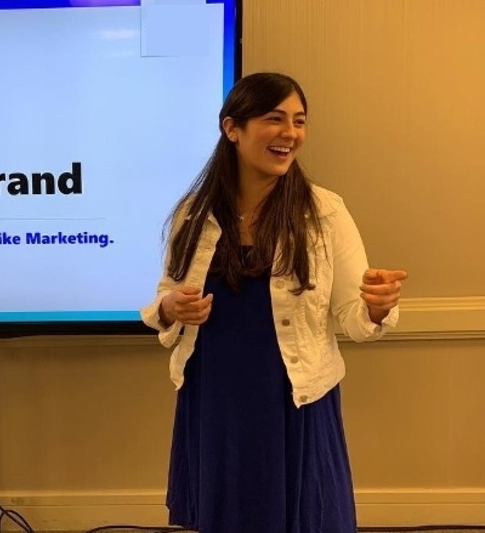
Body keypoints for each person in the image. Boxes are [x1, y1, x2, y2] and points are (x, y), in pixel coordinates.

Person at [140, 72, 408, 533]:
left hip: (293, 396)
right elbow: (165, 296)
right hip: (215, 396)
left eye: (299, 121)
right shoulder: (194, 212)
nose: (290, 134)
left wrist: (379, 305)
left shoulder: (323, 212)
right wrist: (170, 310)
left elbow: (354, 317)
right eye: (274, 119)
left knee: (304, 519)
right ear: (232, 129)